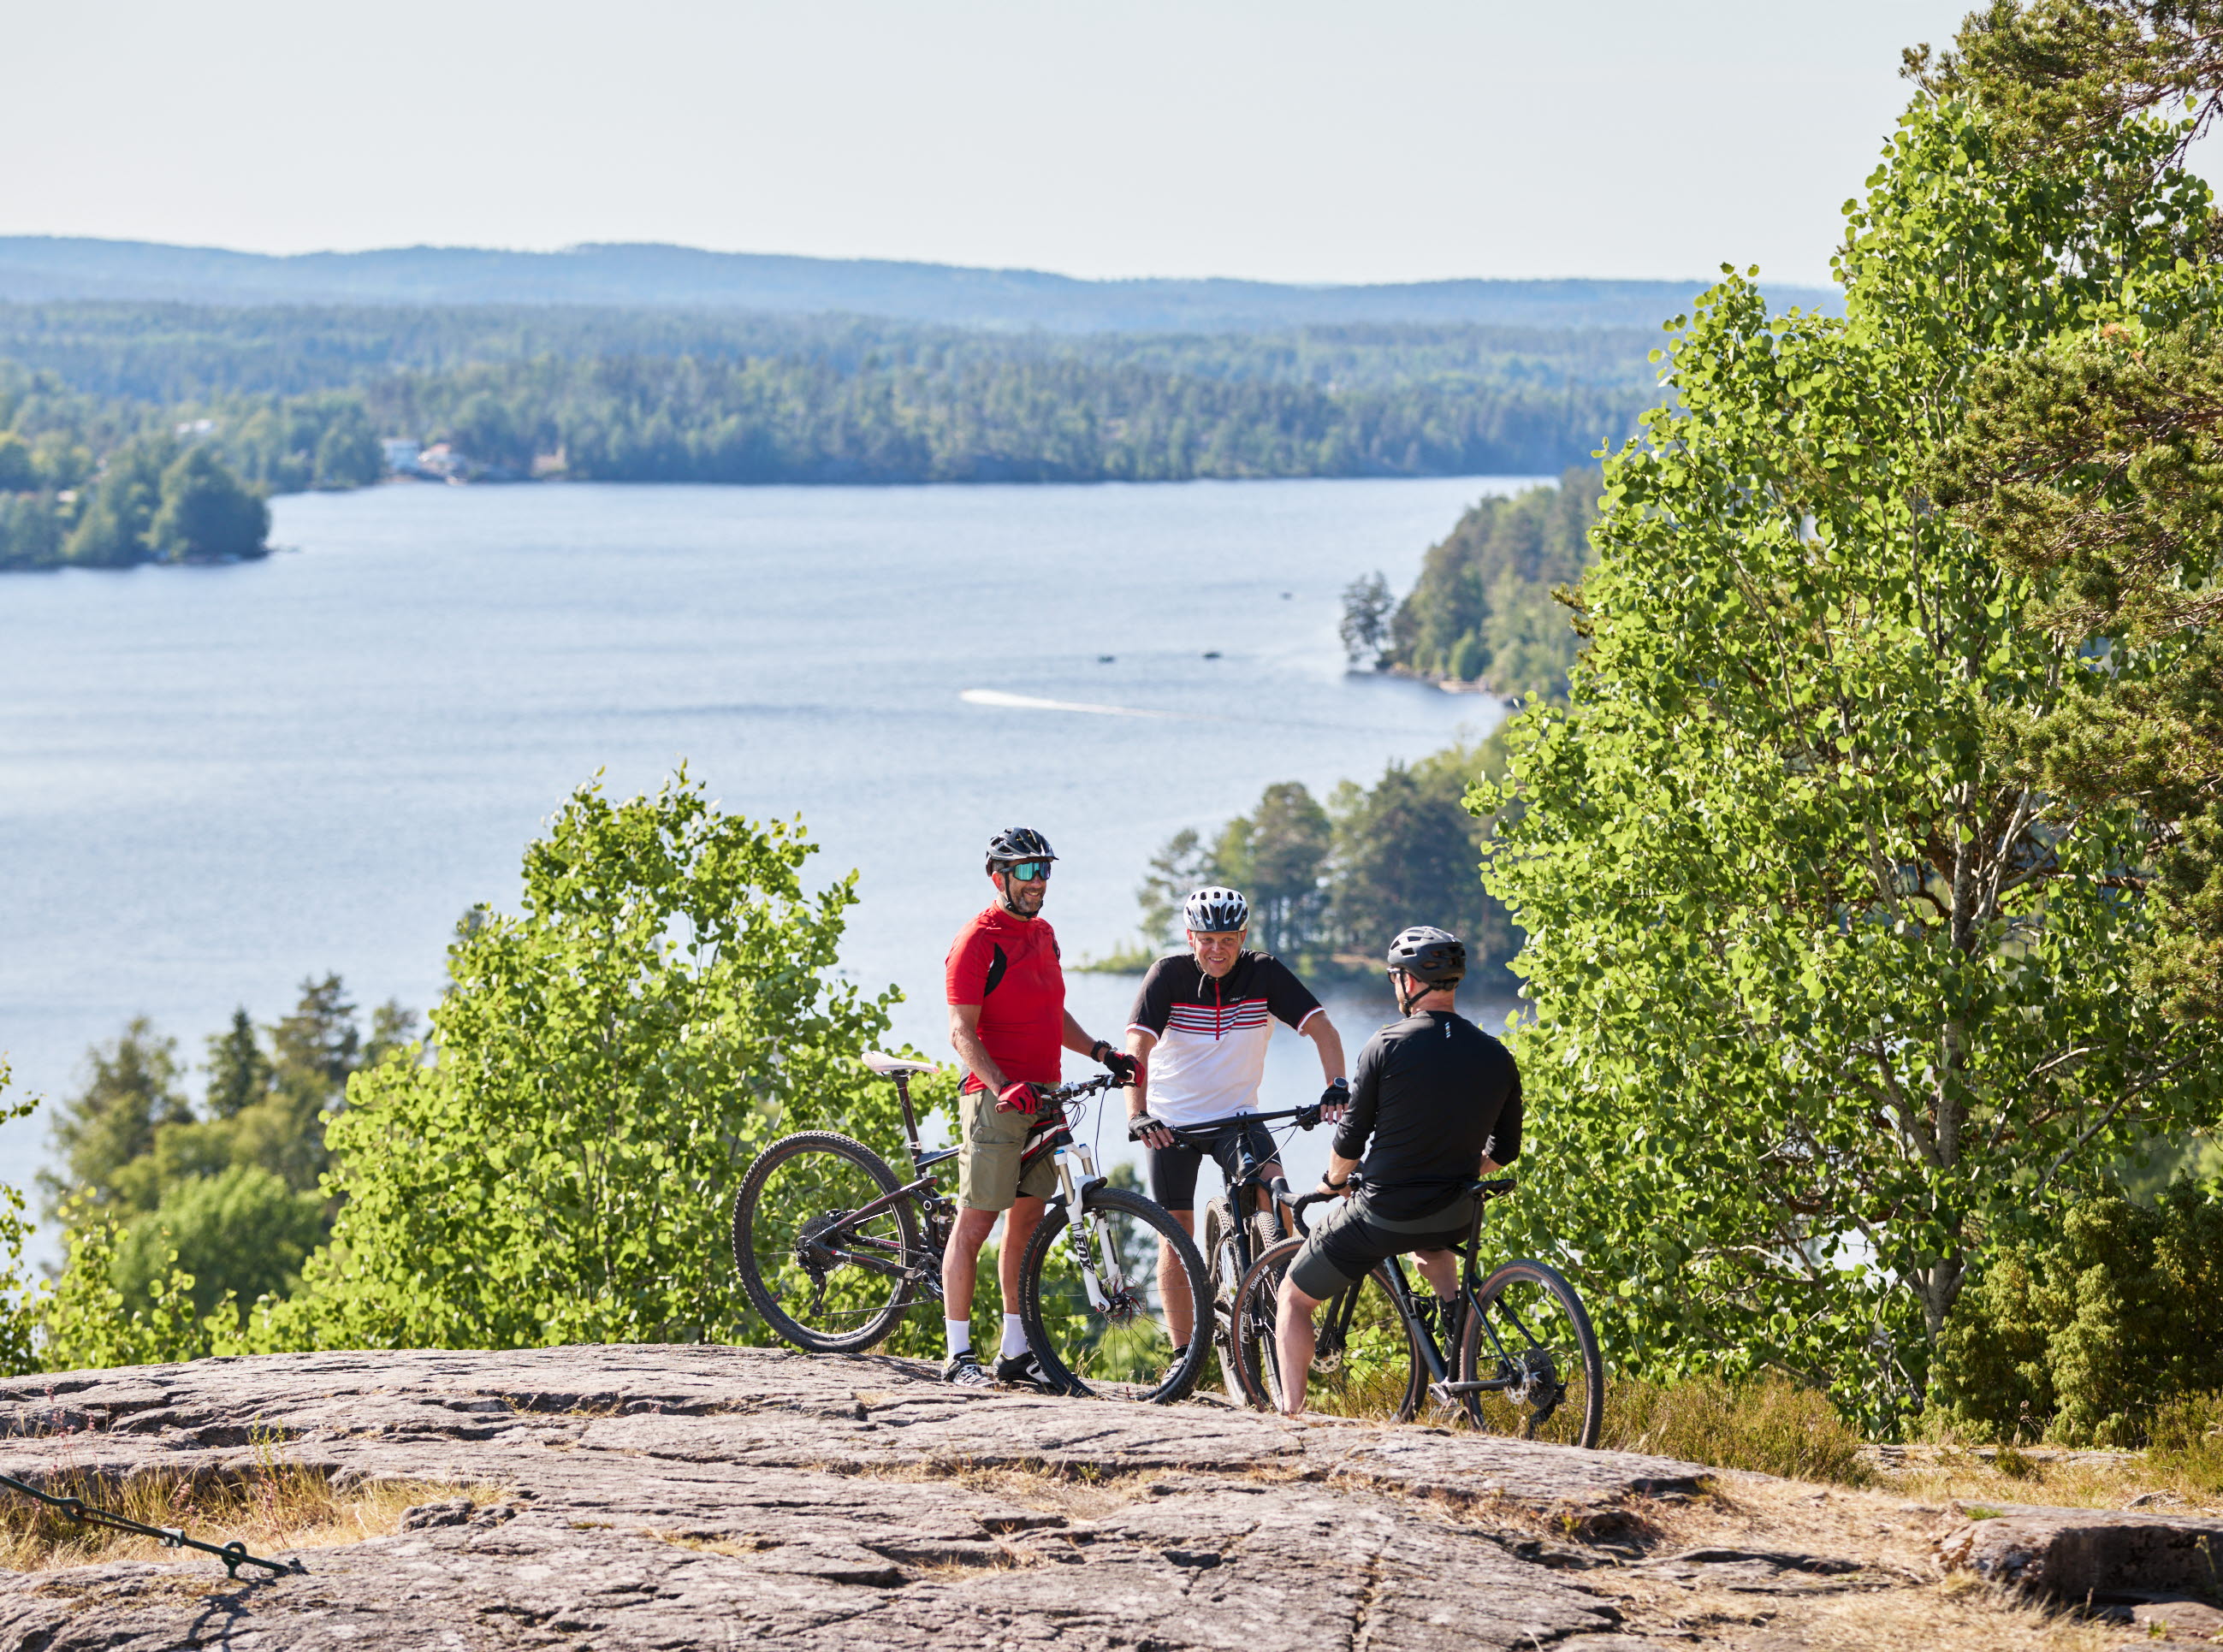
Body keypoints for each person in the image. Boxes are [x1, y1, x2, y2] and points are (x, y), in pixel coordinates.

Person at [1270, 924, 1521, 1417]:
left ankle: (1290, 1414)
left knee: (1293, 1298)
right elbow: (1505, 1150)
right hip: (1455, 1210)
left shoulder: (1385, 1045)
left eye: (1393, 978)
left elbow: (1349, 1141)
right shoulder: (1496, 1053)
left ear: (1409, 983)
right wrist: (1451, 1168)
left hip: (1383, 1213)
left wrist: (1331, 1184)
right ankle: (1459, 1368)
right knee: (1436, 1255)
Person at [943, 826, 1137, 1389]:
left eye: (1045, 870)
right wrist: (1003, 1084)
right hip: (997, 1100)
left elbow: (1054, 1015)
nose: (1038, 881)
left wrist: (1101, 1050)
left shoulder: (1045, 934)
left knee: (1025, 1229)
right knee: (976, 1222)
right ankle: (957, 1356)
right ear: (997, 876)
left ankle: (1014, 1353)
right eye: (1027, 870)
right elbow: (961, 1031)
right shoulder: (977, 941)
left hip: (1046, 1097)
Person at [1123, 885, 1347, 1360]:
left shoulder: (1263, 972)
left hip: (1238, 1119)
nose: (1217, 949)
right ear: (1190, 937)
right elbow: (1135, 1050)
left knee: (1278, 1192)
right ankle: (1184, 1356)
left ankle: (1282, 1308)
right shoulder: (1167, 976)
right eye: (1207, 939)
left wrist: (1337, 1085)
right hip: (1172, 1124)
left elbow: (1324, 1029)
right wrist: (1138, 1114)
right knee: (1175, 1234)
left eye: (1227, 939)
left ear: (1242, 936)